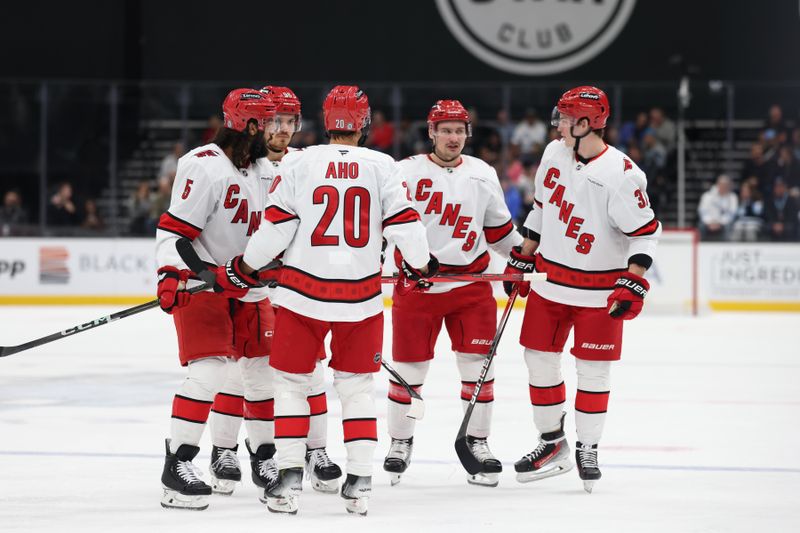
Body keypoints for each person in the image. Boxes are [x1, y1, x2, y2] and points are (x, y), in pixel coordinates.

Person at [209, 85, 435, 515]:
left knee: (291, 386)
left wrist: (244, 267)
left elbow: (276, 229)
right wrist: (423, 265)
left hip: (301, 297)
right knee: (356, 389)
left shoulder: (300, 162)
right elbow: (407, 227)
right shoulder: (383, 165)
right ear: (364, 124)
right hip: (360, 300)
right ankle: (360, 481)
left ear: (325, 120)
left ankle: (289, 478)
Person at [504, 86, 661, 493]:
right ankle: (552, 443)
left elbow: (645, 234)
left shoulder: (623, 175)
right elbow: (541, 208)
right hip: (550, 285)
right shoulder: (554, 153)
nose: (558, 124)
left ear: (587, 123)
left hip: (598, 295)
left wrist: (634, 279)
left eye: (566, 117)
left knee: (593, 372)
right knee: (538, 361)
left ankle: (587, 447)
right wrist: (524, 252)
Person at [206, 85, 343, 495]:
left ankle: (315, 451)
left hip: (298, 290)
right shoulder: (242, 165)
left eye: (288, 121)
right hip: (251, 288)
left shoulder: (308, 163)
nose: (281, 129)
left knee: (312, 373)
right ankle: (224, 450)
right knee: (235, 372)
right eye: (274, 120)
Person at [383, 99, 522, 488]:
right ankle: (400, 441)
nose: (453, 137)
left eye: (460, 130)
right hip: (418, 285)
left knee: (479, 371)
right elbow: (383, 225)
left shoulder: (481, 173)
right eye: (445, 130)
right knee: (409, 372)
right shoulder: (403, 172)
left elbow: (499, 232)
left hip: (471, 288)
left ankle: (477, 442)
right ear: (431, 132)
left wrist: (521, 258)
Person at [154, 88, 280, 510]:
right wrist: (187, 274)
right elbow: (176, 232)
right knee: (208, 374)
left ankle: (265, 460)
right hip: (204, 288)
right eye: (267, 123)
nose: (274, 132)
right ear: (248, 125)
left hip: (249, 289)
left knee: (262, 376)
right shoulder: (203, 165)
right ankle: (178, 463)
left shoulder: (266, 170)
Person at [697, 174, 738, 241]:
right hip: (709, 222)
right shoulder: (707, 196)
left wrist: (720, 222)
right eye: (722, 185)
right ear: (717, 184)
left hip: (723, 222)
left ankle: (726, 247)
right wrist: (710, 222)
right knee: (701, 225)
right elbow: (702, 211)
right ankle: (702, 245)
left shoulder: (732, 197)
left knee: (728, 226)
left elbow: (732, 213)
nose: (723, 187)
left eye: (726, 185)